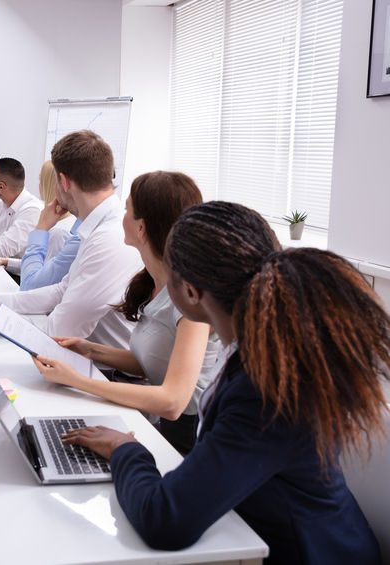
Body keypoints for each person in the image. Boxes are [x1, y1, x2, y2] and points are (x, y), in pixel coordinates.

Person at [62, 201, 388, 563]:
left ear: (189, 292)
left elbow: (164, 520)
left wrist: (125, 450)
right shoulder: (256, 348)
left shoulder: (265, 390)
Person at [30, 171, 219, 454]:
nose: (121, 216)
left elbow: (173, 401)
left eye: (127, 210)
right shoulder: (155, 282)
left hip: (190, 440)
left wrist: (77, 380)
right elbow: (152, 361)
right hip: (170, 428)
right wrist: (89, 349)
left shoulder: (189, 299)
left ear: (141, 227)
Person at [0, 131, 142, 348]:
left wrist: (2, 319)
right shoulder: (99, 225)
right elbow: (61, 291)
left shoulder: (106, 239)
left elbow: (59, 330)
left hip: (109, 372)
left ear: (64, 181)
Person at [0, 160, 81, 291]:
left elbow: (33, 285)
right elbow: (42, 267)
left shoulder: (58, 231)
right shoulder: (65, 223)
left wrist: (40, 228)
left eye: (40, 179)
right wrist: (5, 261)